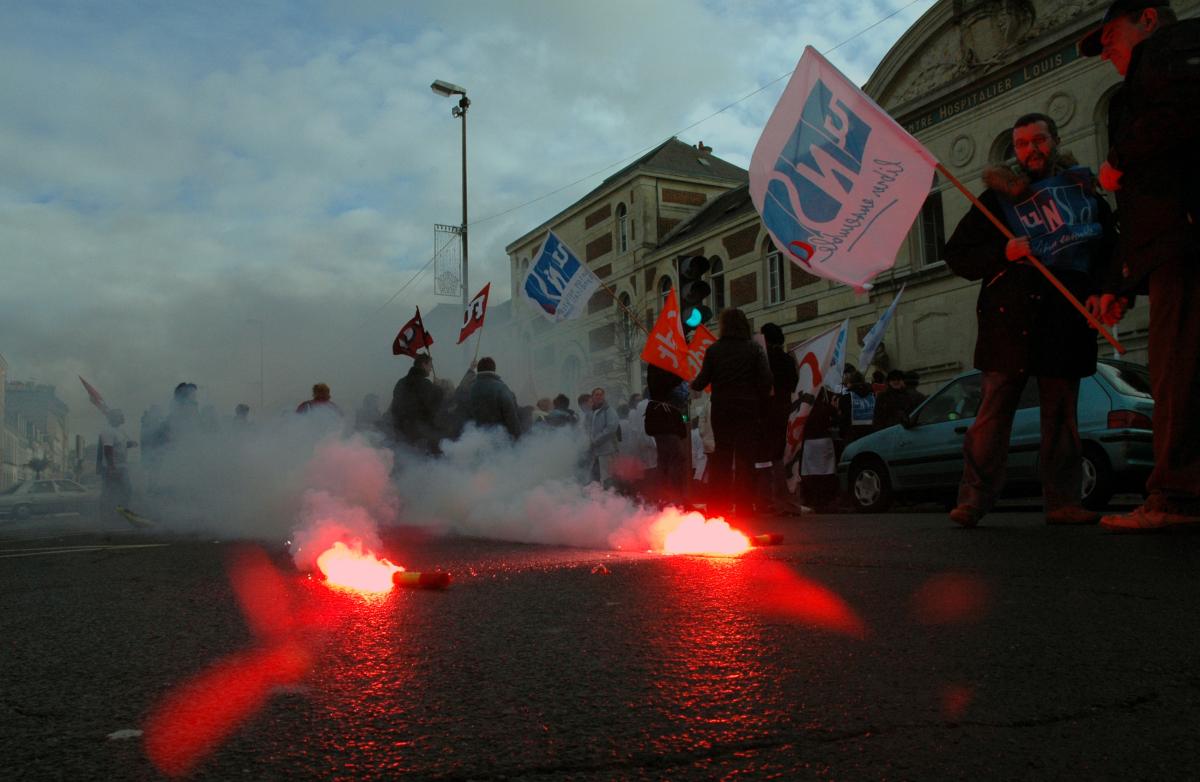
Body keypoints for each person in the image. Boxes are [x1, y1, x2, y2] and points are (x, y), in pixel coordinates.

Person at [943, 111, 1118, 527]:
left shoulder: (1082, 192)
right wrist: (1002, 253)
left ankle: (1063, 501)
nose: (1031, 150)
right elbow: (958, 255)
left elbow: (1108, 250)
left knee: (1061, 415)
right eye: (1022, 144)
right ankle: (974, 499)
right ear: (1015, 151)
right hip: (1010, 321)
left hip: (1065, 319)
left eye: (1038, 140)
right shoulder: (997, 200)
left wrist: (1103, 293)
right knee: (993, 414)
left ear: (1054, 141)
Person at [1079, 0, 1200, 531]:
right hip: (1173, 241)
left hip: (1185, 242)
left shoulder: (1168, 51)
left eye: (1109, 34)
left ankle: (1176, 494)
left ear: (1148, 19)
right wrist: (1123, 280)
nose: (1104, 48)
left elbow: (1178, 111)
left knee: (1177, 368)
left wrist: (1117, 160)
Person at [691, 308, 772, 518]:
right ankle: (745, 507)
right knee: (746, 460)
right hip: (748, 409)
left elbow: (701, 381)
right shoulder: (754, 350)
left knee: (721, 460)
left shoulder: (714, 350)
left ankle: (718, 508)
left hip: (722, 409)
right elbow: (766, 380)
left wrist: (693, 381)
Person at [760, 322, 800, 511]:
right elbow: (794, 383)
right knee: (777, 452)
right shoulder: (788, 359)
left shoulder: (765, 359)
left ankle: (768, 498)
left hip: (766, 408)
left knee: (763, 455)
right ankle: (781, 498)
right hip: (784, 406)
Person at [645, 363, 690, 506]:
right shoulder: (656, 367)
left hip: (667, 418)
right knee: (675, 457)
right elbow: (666, 383)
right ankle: (672, 497)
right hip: (662, 418)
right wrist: (681, 371)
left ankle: (666, 498)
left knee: (667, 458)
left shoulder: (666, 367)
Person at [390, 354, 444, 454]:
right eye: (430, 366)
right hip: (421, 434)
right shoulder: (424, 384)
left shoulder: (400, 383)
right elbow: (434, 405)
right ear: (424, 364)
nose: (431, 369)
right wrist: (438, 388)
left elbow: (394, 407)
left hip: (402, 432)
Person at [468, 357, 521, 440]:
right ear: (494, 369)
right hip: (501, 440)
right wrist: (518, 439)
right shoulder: (500, 388)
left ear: (478, 369)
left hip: (478, 439)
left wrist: (470, 370)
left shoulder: (471, 389)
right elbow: (511, 416)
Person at [98, 409, 135, 518]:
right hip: (112, 467)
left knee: (126, 491)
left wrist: (130, 444)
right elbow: (108, 449)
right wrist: (111, 467)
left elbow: (120, 446)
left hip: (122, 467)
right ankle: (106, 515)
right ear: (114, 418)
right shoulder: (108, 431)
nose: (123, 417)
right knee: (109, 492)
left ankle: (120, 513)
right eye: (120, 415)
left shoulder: (120, 431)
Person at [584, 386, 620, 487]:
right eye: (596, 394)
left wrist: (596, 440)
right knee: (595, 477)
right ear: (592, 397)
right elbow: (587, 428)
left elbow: (611, 428)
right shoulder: (591, 412)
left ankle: (610, 497)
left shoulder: (609, 410)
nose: (599, 396)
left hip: (606, 451)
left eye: (601, 394)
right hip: (594, 452)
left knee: (607, 477)